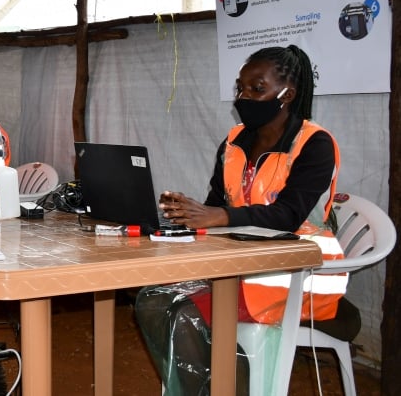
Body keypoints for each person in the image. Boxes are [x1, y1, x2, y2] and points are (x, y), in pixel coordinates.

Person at [135, 45, 347, 395]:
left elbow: (289, 215)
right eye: (241, 88)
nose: (243, 96)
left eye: (256, 88)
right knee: (154, 297)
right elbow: (218, 204)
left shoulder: (314, 143)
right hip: (241, 264)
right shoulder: (233, 142)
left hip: (299, 271)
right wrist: (187, 215)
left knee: (181, 310)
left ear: (288, 94)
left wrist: (219, 215)